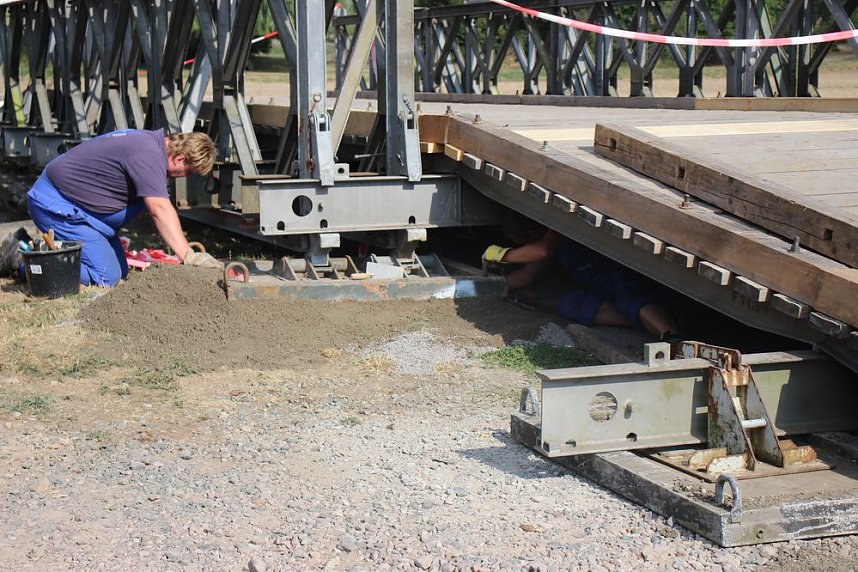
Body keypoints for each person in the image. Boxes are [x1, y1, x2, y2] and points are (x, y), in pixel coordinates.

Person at [21, 129, 222, 286]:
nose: (183, 178)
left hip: (83, 212)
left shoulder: (150, 145)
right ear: (179, 159)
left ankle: (53, 254)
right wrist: (188, 255)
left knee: (120, 271)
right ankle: (26, 263)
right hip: (57, 206)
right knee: (106, 277)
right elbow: (159, 209)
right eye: (187, 173)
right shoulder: (148, 155)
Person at [483, 226, 680, 340]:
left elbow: (542, 251)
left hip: (624, 279)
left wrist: (505, 255)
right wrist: (487, 287)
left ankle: (671, 337)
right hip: (602, 288)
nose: (529, 241)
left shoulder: (555, 230)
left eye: (526, 238)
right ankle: (647, 322)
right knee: (570, 305)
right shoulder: (544, 244)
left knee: (630, 302)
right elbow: (528, 274)